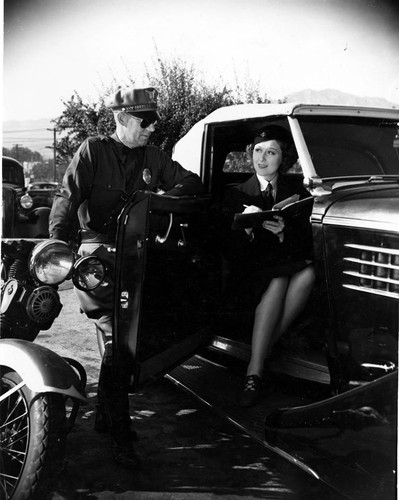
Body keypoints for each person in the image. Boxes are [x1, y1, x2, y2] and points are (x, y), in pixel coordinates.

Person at [49, 85, 204, 467]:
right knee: (116, 337)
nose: (152, 128)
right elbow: (67, 199)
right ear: (121, 119)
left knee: (125, 340)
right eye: (144, 121)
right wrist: (55, 248)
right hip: (98, 257)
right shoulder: (93, 150)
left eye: (154, 121)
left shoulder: (153, 156)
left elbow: (192, 183)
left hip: (137, 257)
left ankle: (105, 415)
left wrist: (154, 202)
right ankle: (120, 433)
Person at [222, 125, 315, 407]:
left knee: (308, 272)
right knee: (279, 279)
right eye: (258, 151)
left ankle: (259, 355)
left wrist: (283, 232)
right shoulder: (236, 193)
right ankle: (255, 370)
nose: (262, 158)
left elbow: (303, 243)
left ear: (282, 159)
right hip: (248, 273)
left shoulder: (296, 191)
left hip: (282, 265)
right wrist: (248, 229)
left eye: (271, 152)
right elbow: (227, 249)